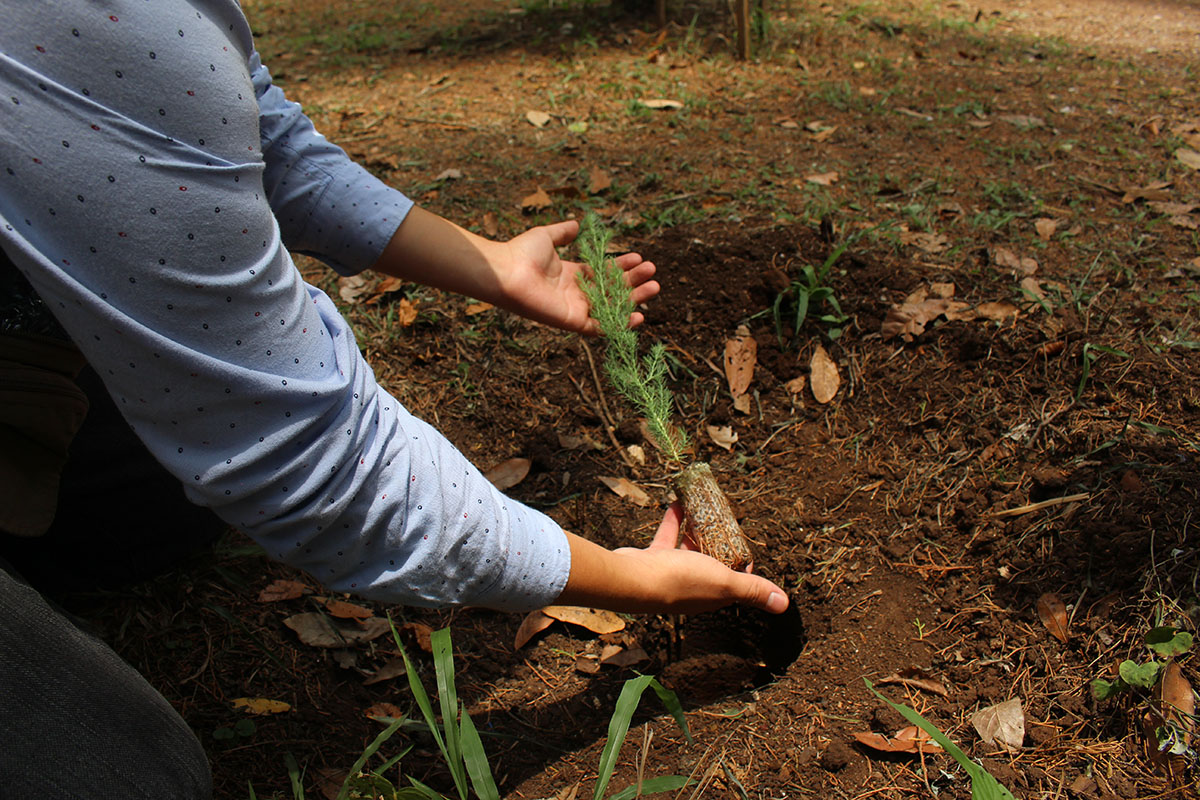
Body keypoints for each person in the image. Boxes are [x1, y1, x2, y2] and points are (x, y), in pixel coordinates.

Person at [0, 2, 789, 797]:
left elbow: (254, 131)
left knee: (159, 514)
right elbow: (311, 462)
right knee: (136, 775)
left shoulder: (157, 31)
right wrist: (626, 577)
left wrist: (490, 265)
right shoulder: (98, 31)